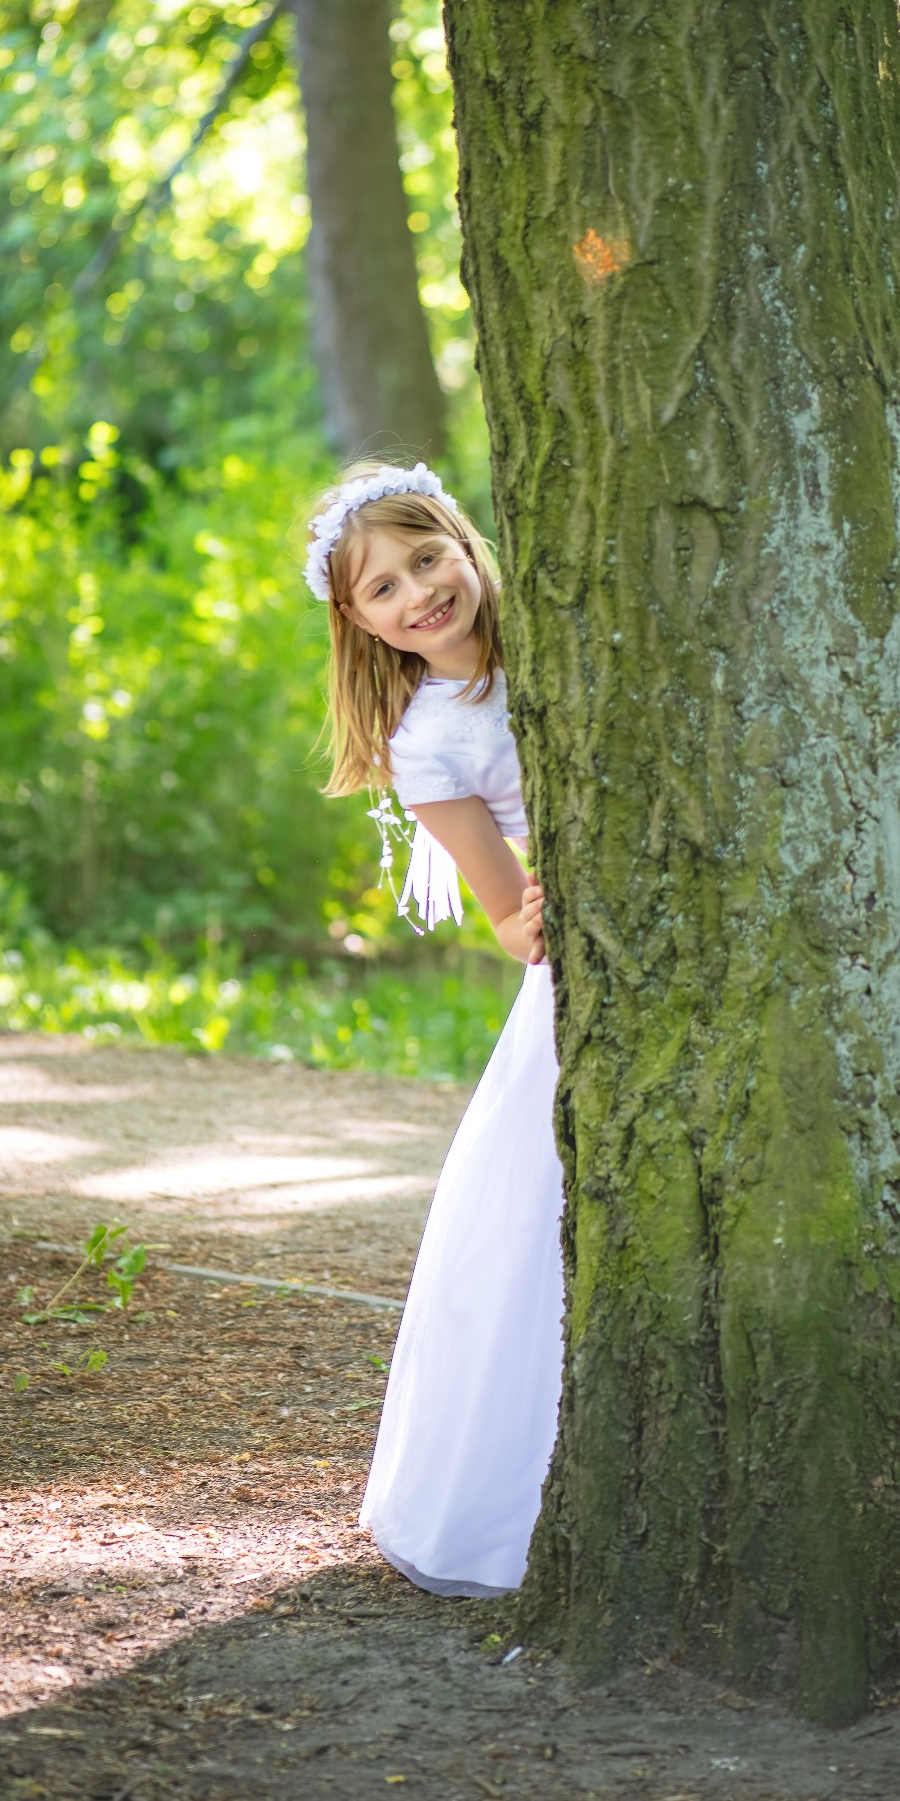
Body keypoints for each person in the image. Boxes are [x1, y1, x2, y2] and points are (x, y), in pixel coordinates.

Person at [304, 459, 563, 1597]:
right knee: (533, 1227)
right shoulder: (429, 740)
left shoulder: (564, 635)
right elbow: (509, 917)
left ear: (464, 543)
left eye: (426, 557)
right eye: (382, 587)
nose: (417, 591)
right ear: (360, 623)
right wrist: (541, 904)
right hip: (582, 972)